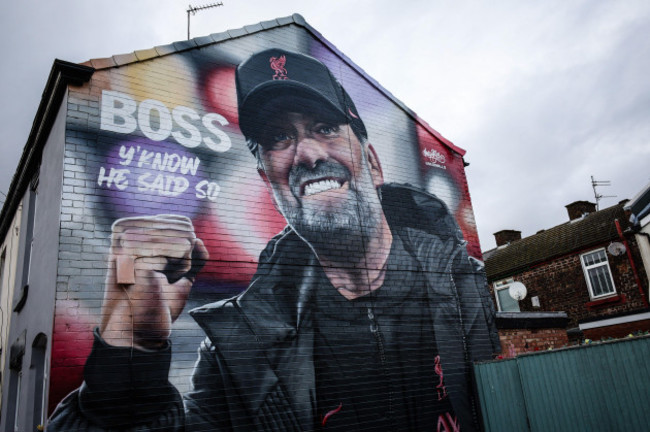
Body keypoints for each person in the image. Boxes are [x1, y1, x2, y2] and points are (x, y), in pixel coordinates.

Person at [49, 49, 499, 432]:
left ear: (374, 164)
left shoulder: (468, 291)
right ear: (270, 182)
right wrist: (130, 355)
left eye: (325, 127)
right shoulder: (237, 350)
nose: (307, 153)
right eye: (280, 138)